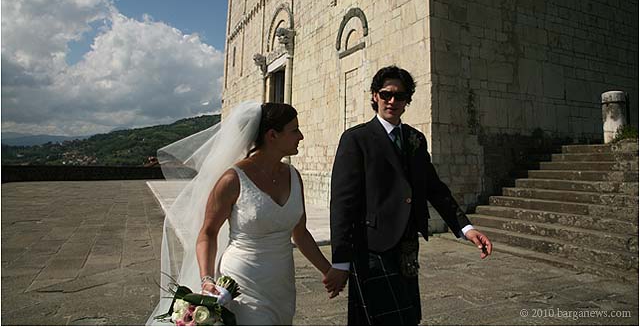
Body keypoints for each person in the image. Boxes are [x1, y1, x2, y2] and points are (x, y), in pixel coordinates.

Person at [324, 66, 493, 325]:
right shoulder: (356, 139)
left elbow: (434, 188)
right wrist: (341, 262)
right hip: (371, 247)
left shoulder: (415, 139)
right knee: (375, 320)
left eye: (400, 96)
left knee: (407, 318)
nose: (392, 101)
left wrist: (465, 228)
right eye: (386, 94)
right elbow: (342, 203)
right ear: (375, 96)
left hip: (407, 247)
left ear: (407, 101)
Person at [147, 102, 331, 326]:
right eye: (294, 130)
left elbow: (300, 233)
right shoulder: (232, 180)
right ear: (272, 135)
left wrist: (328, 270)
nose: (301, 136)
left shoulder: (293, 176)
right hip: (243, 284)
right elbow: (208, 232)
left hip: (282, 286)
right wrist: (206, 279)